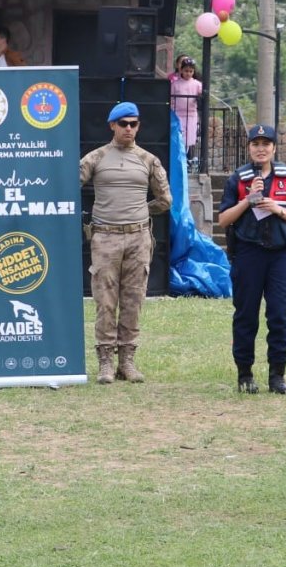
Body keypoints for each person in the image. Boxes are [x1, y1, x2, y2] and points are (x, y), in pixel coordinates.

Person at [79, 102, 173, 384]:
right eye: (123, 124)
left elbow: (165, 200)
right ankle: (105, 361)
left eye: (133, 124)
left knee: (133, 300)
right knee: (105, 301)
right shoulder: (95, 158)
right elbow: (69, 184)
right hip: (105, 236)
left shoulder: (148, 160)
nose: (129, 128)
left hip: (138, 236)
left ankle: (127, 361)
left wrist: (143, 211)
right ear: (112, 126)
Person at [218, 124, 286, 395]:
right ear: (249, 148)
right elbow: (223, 220)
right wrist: (248, 200)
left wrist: (277, 209)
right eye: (255, 144)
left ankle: (277, 375)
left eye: (265, 144)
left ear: (273, 148)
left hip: (280, 255)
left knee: (280, 315)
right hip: (249, 254)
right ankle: (244, 374)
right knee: (246, 315)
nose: (260, 148)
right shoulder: (239, 178)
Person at [169, 55, 203, 162]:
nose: (188, 73)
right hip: (178, 114)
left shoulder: (197, 84)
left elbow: (201, 97)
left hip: (192, 114)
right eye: (186, 71)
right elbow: (171, 98)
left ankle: (188, 158)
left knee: (190, 137)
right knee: (180, 136)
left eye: (190, 71)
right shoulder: (175, 84)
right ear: (181, 71)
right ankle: (180, 158)